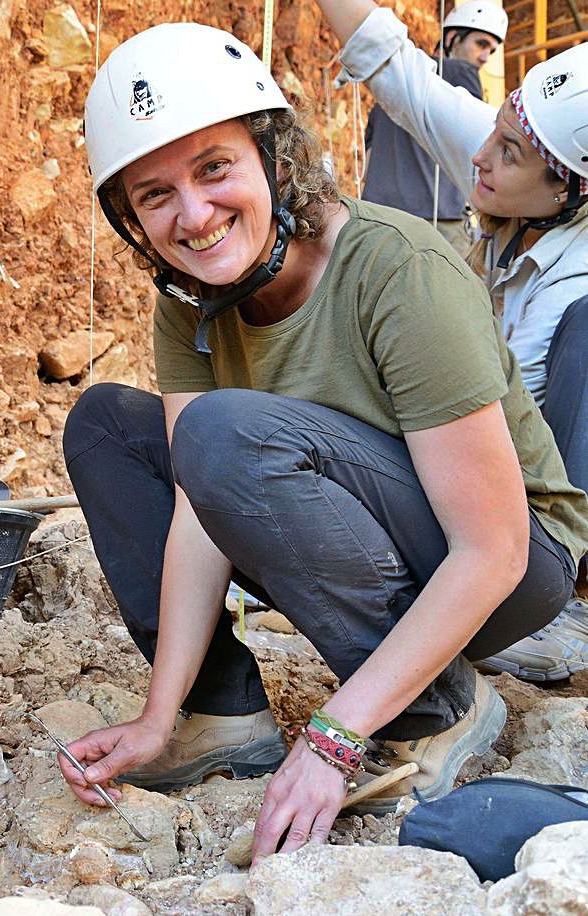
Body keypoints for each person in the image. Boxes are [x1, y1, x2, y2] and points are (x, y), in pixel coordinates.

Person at [58, 22, 588, 863]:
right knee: (108, 427)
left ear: (271, 159)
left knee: (225, 431)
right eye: (153, 195)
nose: (193, 215)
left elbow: (491, 548)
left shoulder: (393, 266)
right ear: (129, 219)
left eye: (214, 168)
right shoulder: (186, 303)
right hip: (353, 520)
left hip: (511, 562)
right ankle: (217, 714)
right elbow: (199, 506)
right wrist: (160, 715)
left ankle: (436, 709)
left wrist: (333, 738)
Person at [313, 0, 588, 682]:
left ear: (565, 193)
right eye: (493, 135)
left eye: (507, 154)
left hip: (532, 513)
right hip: (473, 484)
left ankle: (574, 609)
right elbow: (396, 69)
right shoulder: (518, 150)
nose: (480, 157)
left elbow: (496, 402)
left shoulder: (572, 281)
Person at [362, 1, 507, 255]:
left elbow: (369, 155)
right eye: (481, 44)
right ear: (452, 38)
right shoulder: (461, 72)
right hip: (438, 223)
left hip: (376, 221)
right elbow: (480, 142)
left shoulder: (391, 89)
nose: (485, 57)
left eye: (492, 51)